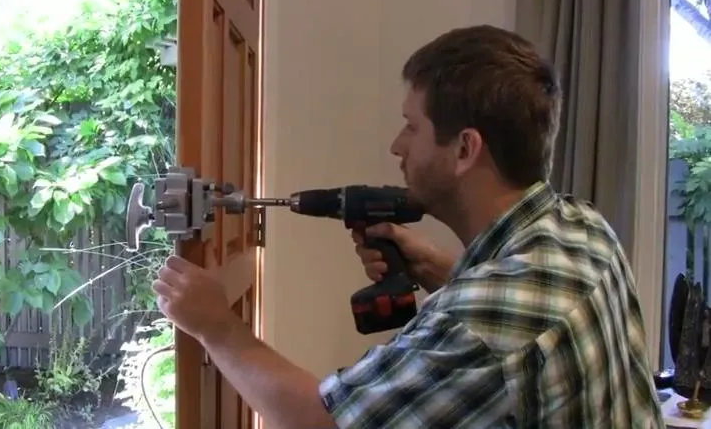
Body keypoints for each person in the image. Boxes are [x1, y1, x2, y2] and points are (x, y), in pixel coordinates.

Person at [151, 25, 665, 428]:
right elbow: (522, 311)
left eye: (411, 126)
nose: (397, 146)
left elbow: (320, 421)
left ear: (465, 149)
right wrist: (445, 271)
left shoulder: (477, 326)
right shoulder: (581, 225)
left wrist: (216, 326)